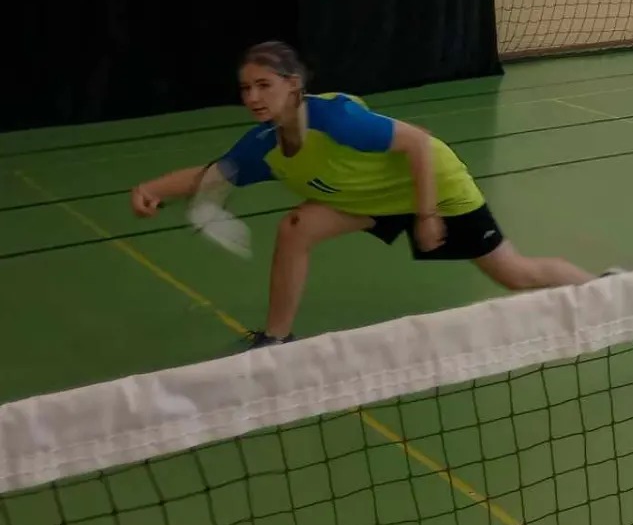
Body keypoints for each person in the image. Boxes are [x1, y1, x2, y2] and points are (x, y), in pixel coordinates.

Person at [129, 41, 597, 347]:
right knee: (296, 227)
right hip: (369, 200)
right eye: (246, 88)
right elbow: (212, 176)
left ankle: (607, 289)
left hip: (435, 187)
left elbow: (419, 143)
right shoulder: (263, 146)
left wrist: (428, 215)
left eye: (263, 85)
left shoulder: (336, 120)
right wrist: (151, 188)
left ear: (293, 85)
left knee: (514, 274)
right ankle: (276, 339)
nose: (252, 97)